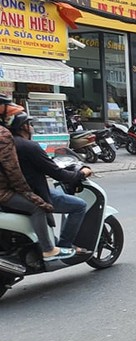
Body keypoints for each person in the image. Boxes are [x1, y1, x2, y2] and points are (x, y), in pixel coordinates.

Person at [0, 98, 74, 261]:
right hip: (4, 191)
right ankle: (48, 250)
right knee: (38, 207)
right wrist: (28, 194)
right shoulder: (5, 136)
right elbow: (12, 170)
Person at [10, 111, 93, 253]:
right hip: (33, 192)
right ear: (24, 127)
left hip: (13, 193)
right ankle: (65, 247)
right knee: (79, 206)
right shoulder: (30, 147)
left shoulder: (8, 145)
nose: (31, 128)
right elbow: (58, 174)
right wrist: (80, 174)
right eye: (29, 124)